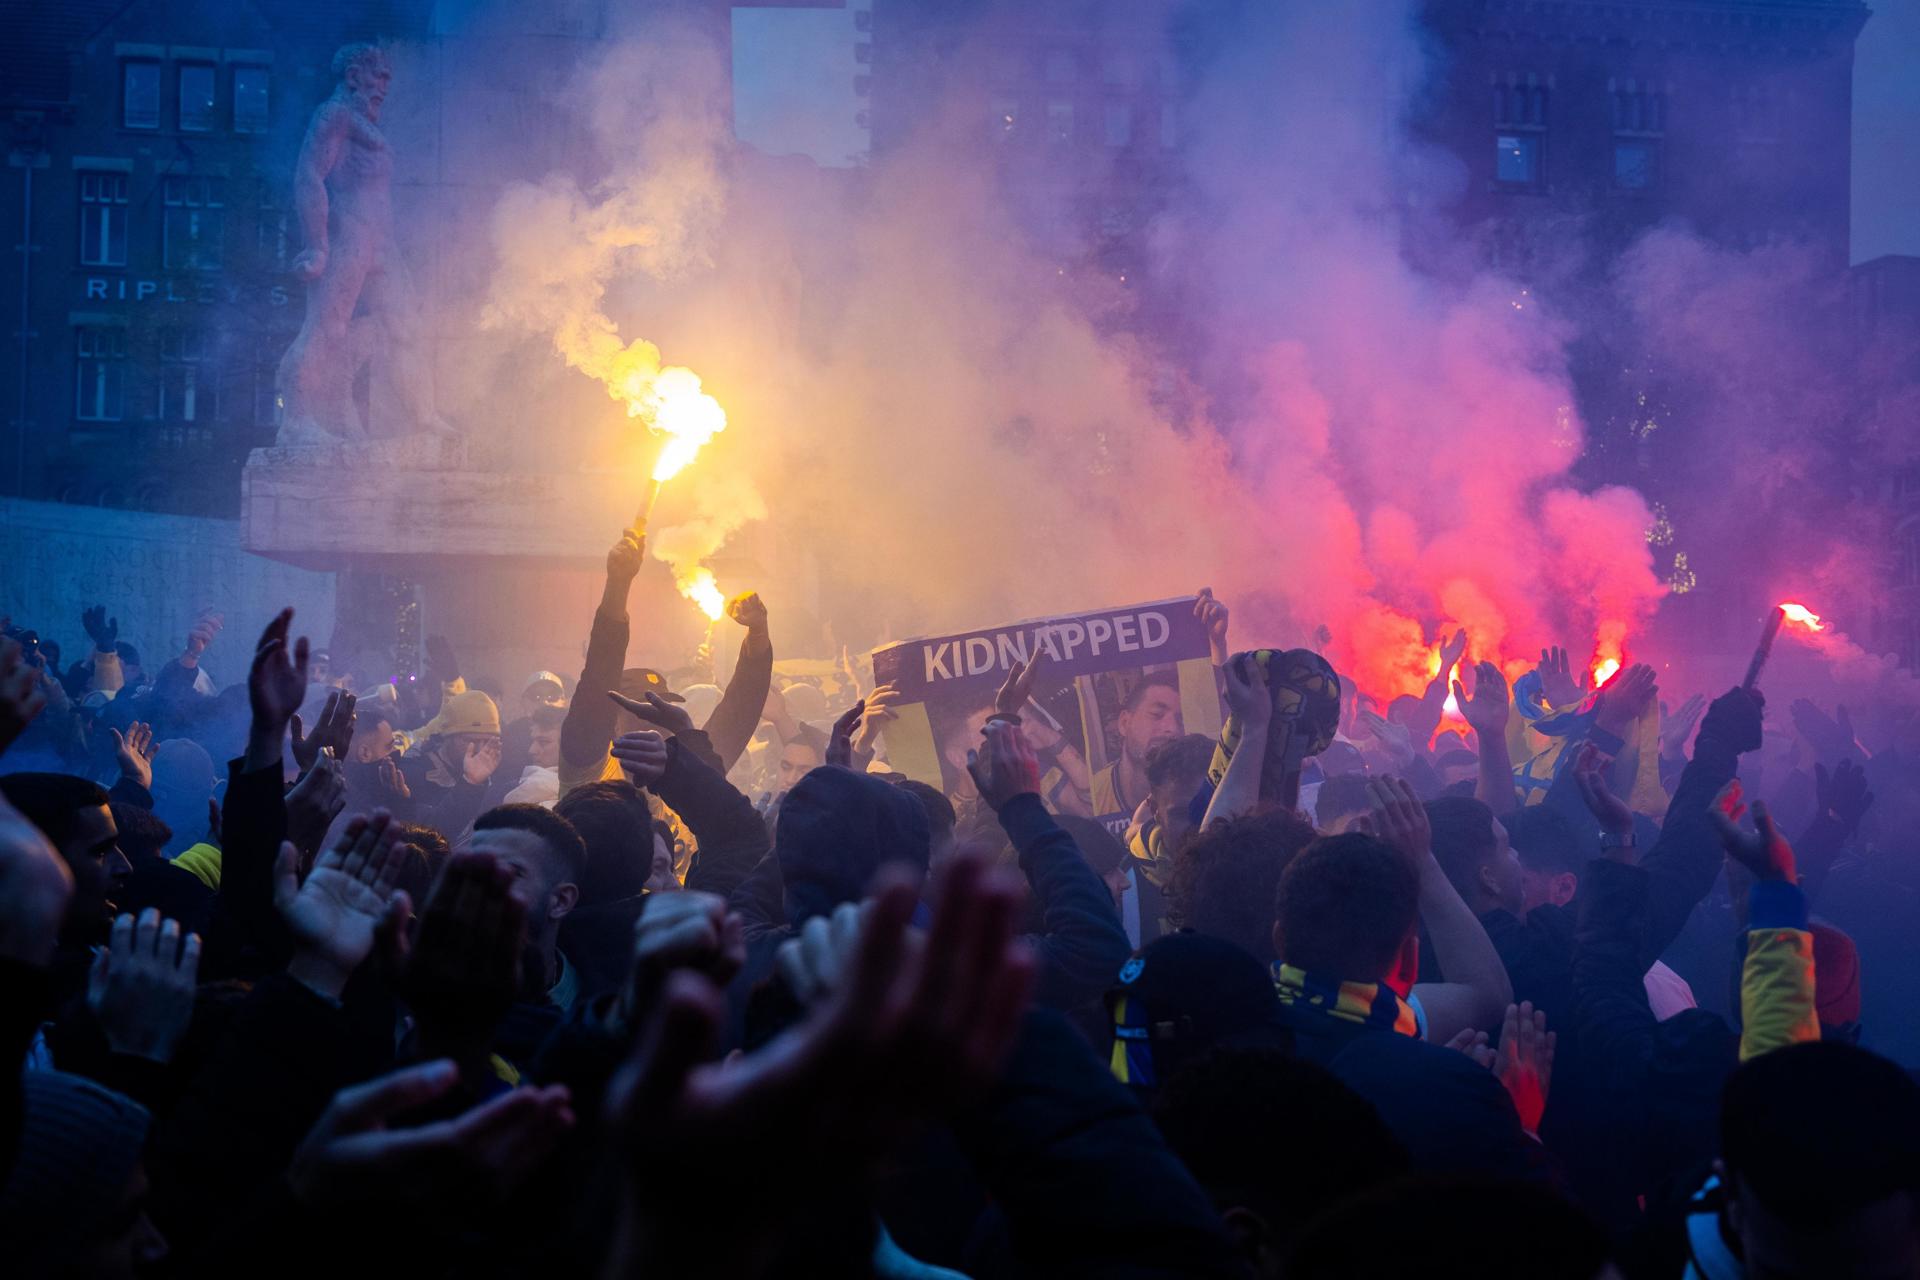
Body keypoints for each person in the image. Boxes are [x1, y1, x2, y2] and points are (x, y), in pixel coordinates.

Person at [1270, 827, 1538, 1179]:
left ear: (1278, 938)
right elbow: (1488, 994)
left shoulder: (1225, 1027)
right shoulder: (1413, 1061)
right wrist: (1511, 1118)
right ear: (1411, 960)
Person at [467, 804, 587, 1015]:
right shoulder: (424, 991)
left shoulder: (592, 1011)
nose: (478, 884)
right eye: (470, 870)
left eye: (505, 873)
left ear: (561, 901)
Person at [396, 689, 502, 838]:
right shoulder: (413, 774)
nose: (479, 750)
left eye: (487, 741)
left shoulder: (491, 769)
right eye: (470, 741)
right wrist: (470, 784)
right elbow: (431, 836)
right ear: (448, 737)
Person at [1090, 675, 1185, 821]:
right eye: (1157, 715)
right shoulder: (1094, 794)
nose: (1173, 728)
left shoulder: (1193, 787)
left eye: (1180, 720)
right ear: (1124, 722)